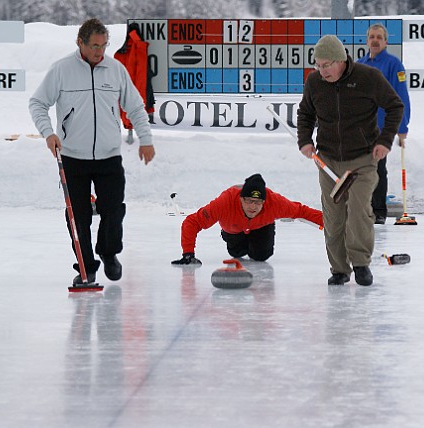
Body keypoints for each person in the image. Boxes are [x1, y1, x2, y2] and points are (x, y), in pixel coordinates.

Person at [29, 18, 155, 285]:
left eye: (104, 45)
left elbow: (135, 106)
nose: (100, 51)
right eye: (95, 46)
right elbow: (38, 103)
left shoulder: (115, 69)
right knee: (78, 216)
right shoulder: (62, 69)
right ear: (80, 43)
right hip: (73, 156)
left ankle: (109, 253)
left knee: (113, 210)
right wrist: (48, 133)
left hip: (109, 156)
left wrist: (146, 139)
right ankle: (86, 267)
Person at [297, 35, 404, 286]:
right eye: (318, 65)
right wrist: (305, 140)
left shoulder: (368, 77)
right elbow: (305, 113)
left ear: (341, 60)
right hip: (328, 161)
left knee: (358, 210)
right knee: (333, 217)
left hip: (362, 160)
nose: (322, 71)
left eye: (327, 65)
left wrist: (385, 141)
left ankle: (361, 264)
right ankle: (339, 269)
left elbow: (395, 106)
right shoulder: (314, 82)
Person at [171, 173, 323, 265]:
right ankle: (230, 237)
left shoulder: (275, 203)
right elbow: (192, 222)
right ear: (241, 199)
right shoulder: (224, 202)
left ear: (264, 201)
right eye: (249, 201)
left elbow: (302, 211)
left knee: (261, 256)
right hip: (233, 228)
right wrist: (188, 254)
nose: (253, 206)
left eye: (258, 202)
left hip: (260, 227)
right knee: (236, 253)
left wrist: (332, 223)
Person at [357, 23, 411, 224]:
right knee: (360, 169)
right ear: (367, 40)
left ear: (386, 42)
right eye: (372, 37)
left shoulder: (393, 65)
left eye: (379, 37)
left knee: (378, 168)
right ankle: (362, 208)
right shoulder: (359, 64)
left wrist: (402, 127)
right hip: (360, 127)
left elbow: (401, 97)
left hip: (381, 128)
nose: (375, 40)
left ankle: (378, 211)